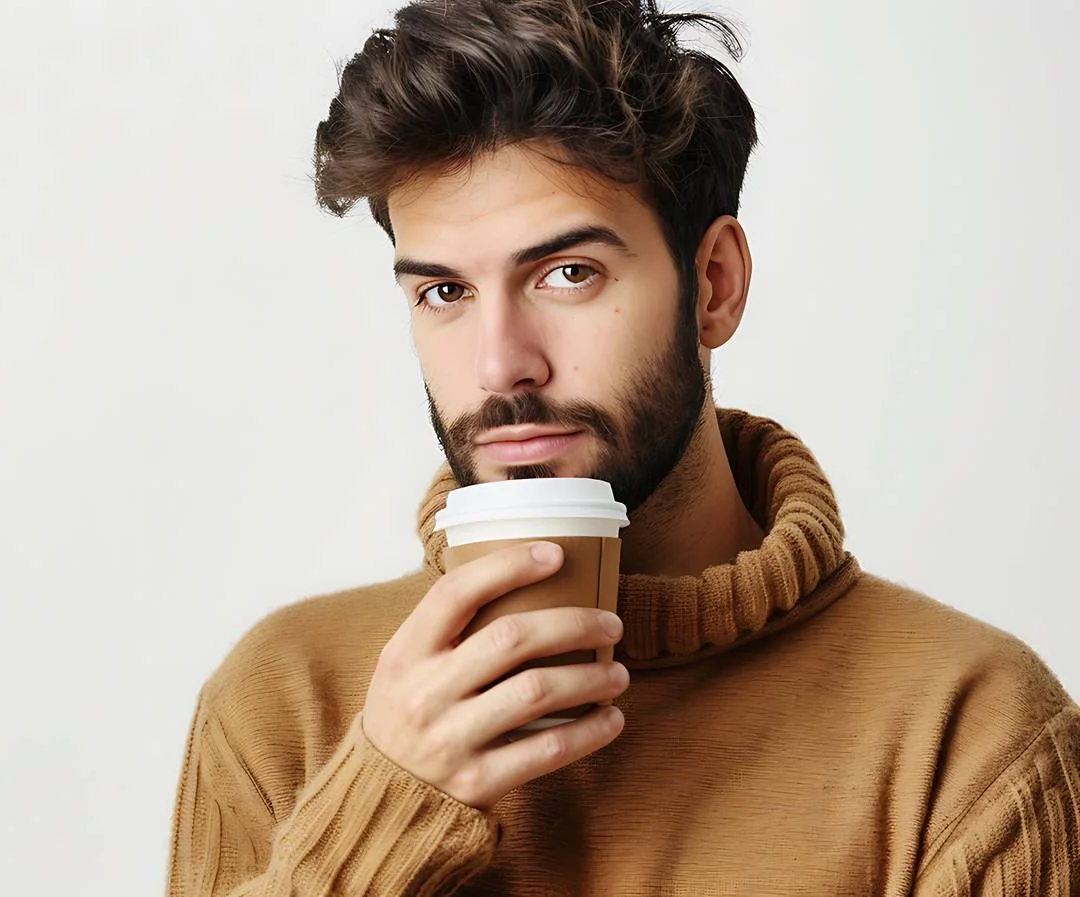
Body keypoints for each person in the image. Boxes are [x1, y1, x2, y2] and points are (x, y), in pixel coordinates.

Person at [165, 2, 1080, 894]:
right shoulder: (286, 703)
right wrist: (374, 821)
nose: (500, 367)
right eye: (443, 292)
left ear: (713, 285)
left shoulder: (973, 735)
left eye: (568, 273)